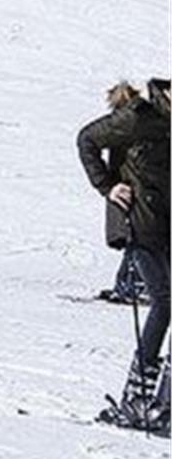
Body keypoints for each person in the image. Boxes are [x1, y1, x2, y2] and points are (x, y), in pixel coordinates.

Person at [76, 79, 170, 434]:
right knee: (164, 301)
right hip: (140, 223)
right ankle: (138, 396)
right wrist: (107, 186)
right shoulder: (138, 117)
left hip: (166, 223)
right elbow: (87, 140)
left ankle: (163, 400)